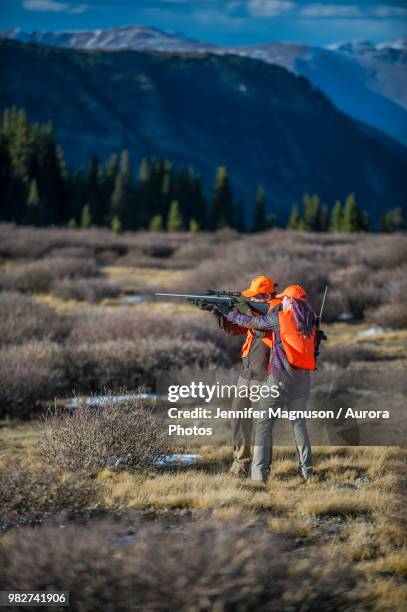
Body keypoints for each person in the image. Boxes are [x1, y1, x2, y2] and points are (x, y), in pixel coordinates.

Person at [219, 284, 317, 482]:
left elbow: (251, 322)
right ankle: (307, 472)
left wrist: (228, 312)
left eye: (286, 299)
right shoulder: (312, 320)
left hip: (280, 379)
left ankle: (258, 475)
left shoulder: (280, 318)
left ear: (290, 301)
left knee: (263, 425)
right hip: (303, 381)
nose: (283, 301)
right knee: (299, 425)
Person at [195, 275, 281, 477]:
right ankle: (241, 464)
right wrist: (219, 312)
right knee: (240, 419)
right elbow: (235, 329)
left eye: (256, 296)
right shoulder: (255, 310)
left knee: (261, 425)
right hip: (247, 373)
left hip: (266, 374)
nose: (252, 299)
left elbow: (261, 328)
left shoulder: (277, 309)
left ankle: (261, 469)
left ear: (267, 294)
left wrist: (243, 311)